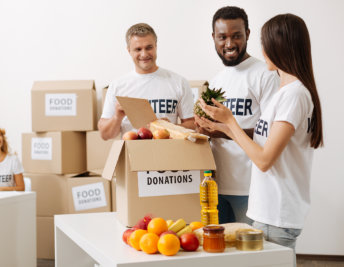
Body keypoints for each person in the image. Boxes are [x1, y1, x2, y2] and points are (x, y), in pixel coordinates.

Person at [196, 13, 323, 253]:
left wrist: (230, 122)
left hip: (278, 215)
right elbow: (262, 142)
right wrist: (220, 127)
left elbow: (264, 160)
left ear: (279, 47)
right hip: (265, 211)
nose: (262, 50)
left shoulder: (295, 95)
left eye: (265, 44)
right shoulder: (286, 93)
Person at [195, 6, 279, 224]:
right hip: (216, 186)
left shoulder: (265, 75)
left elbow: (271, 133)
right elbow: (214, 132)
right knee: (222, 253)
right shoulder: (216, 81)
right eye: (222, 37)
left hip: (251, 187)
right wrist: (204, 129)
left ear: (248, 34)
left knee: (250, 254)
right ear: (214, 37)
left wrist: (222, 131)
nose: (229, 44)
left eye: (236, 36)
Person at [99, 23, 195, 140]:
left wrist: (169, 128)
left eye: (149, 47)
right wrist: (117, 117)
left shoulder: (178, 82)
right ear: (129, 50)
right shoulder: (117, 86)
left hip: (168, 155)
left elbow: (193, 125)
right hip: (133, 156)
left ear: (156, 46)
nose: (144, 54)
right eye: (138, 49)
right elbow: (105, 135)